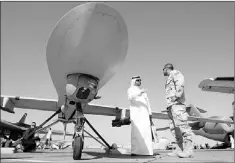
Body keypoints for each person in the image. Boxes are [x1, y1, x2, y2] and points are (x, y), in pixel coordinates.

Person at [163, 63, 194, 158]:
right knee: (174, 128)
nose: (163, 72)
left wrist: (177, 96)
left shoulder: (174, 73)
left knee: (182, 125)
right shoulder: (169, 77)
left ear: (166, 69)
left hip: (177, 104)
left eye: (163, 70)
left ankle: (188, 150)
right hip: (171, 106)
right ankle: (179, 149)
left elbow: (180, 82)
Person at [127, 76, 154, 156]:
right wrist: (140, 92)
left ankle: (147, 152)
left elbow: (147, 103)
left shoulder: (143, 92)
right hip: (136, 115)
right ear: (134, 81)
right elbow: (130, 97)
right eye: (138, 80)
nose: (139, 81)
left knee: (146, 132)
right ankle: (135, 151)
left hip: (145, 115)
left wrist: (150, 113)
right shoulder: (131, 89)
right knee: (136, 132)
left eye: (140, 80)